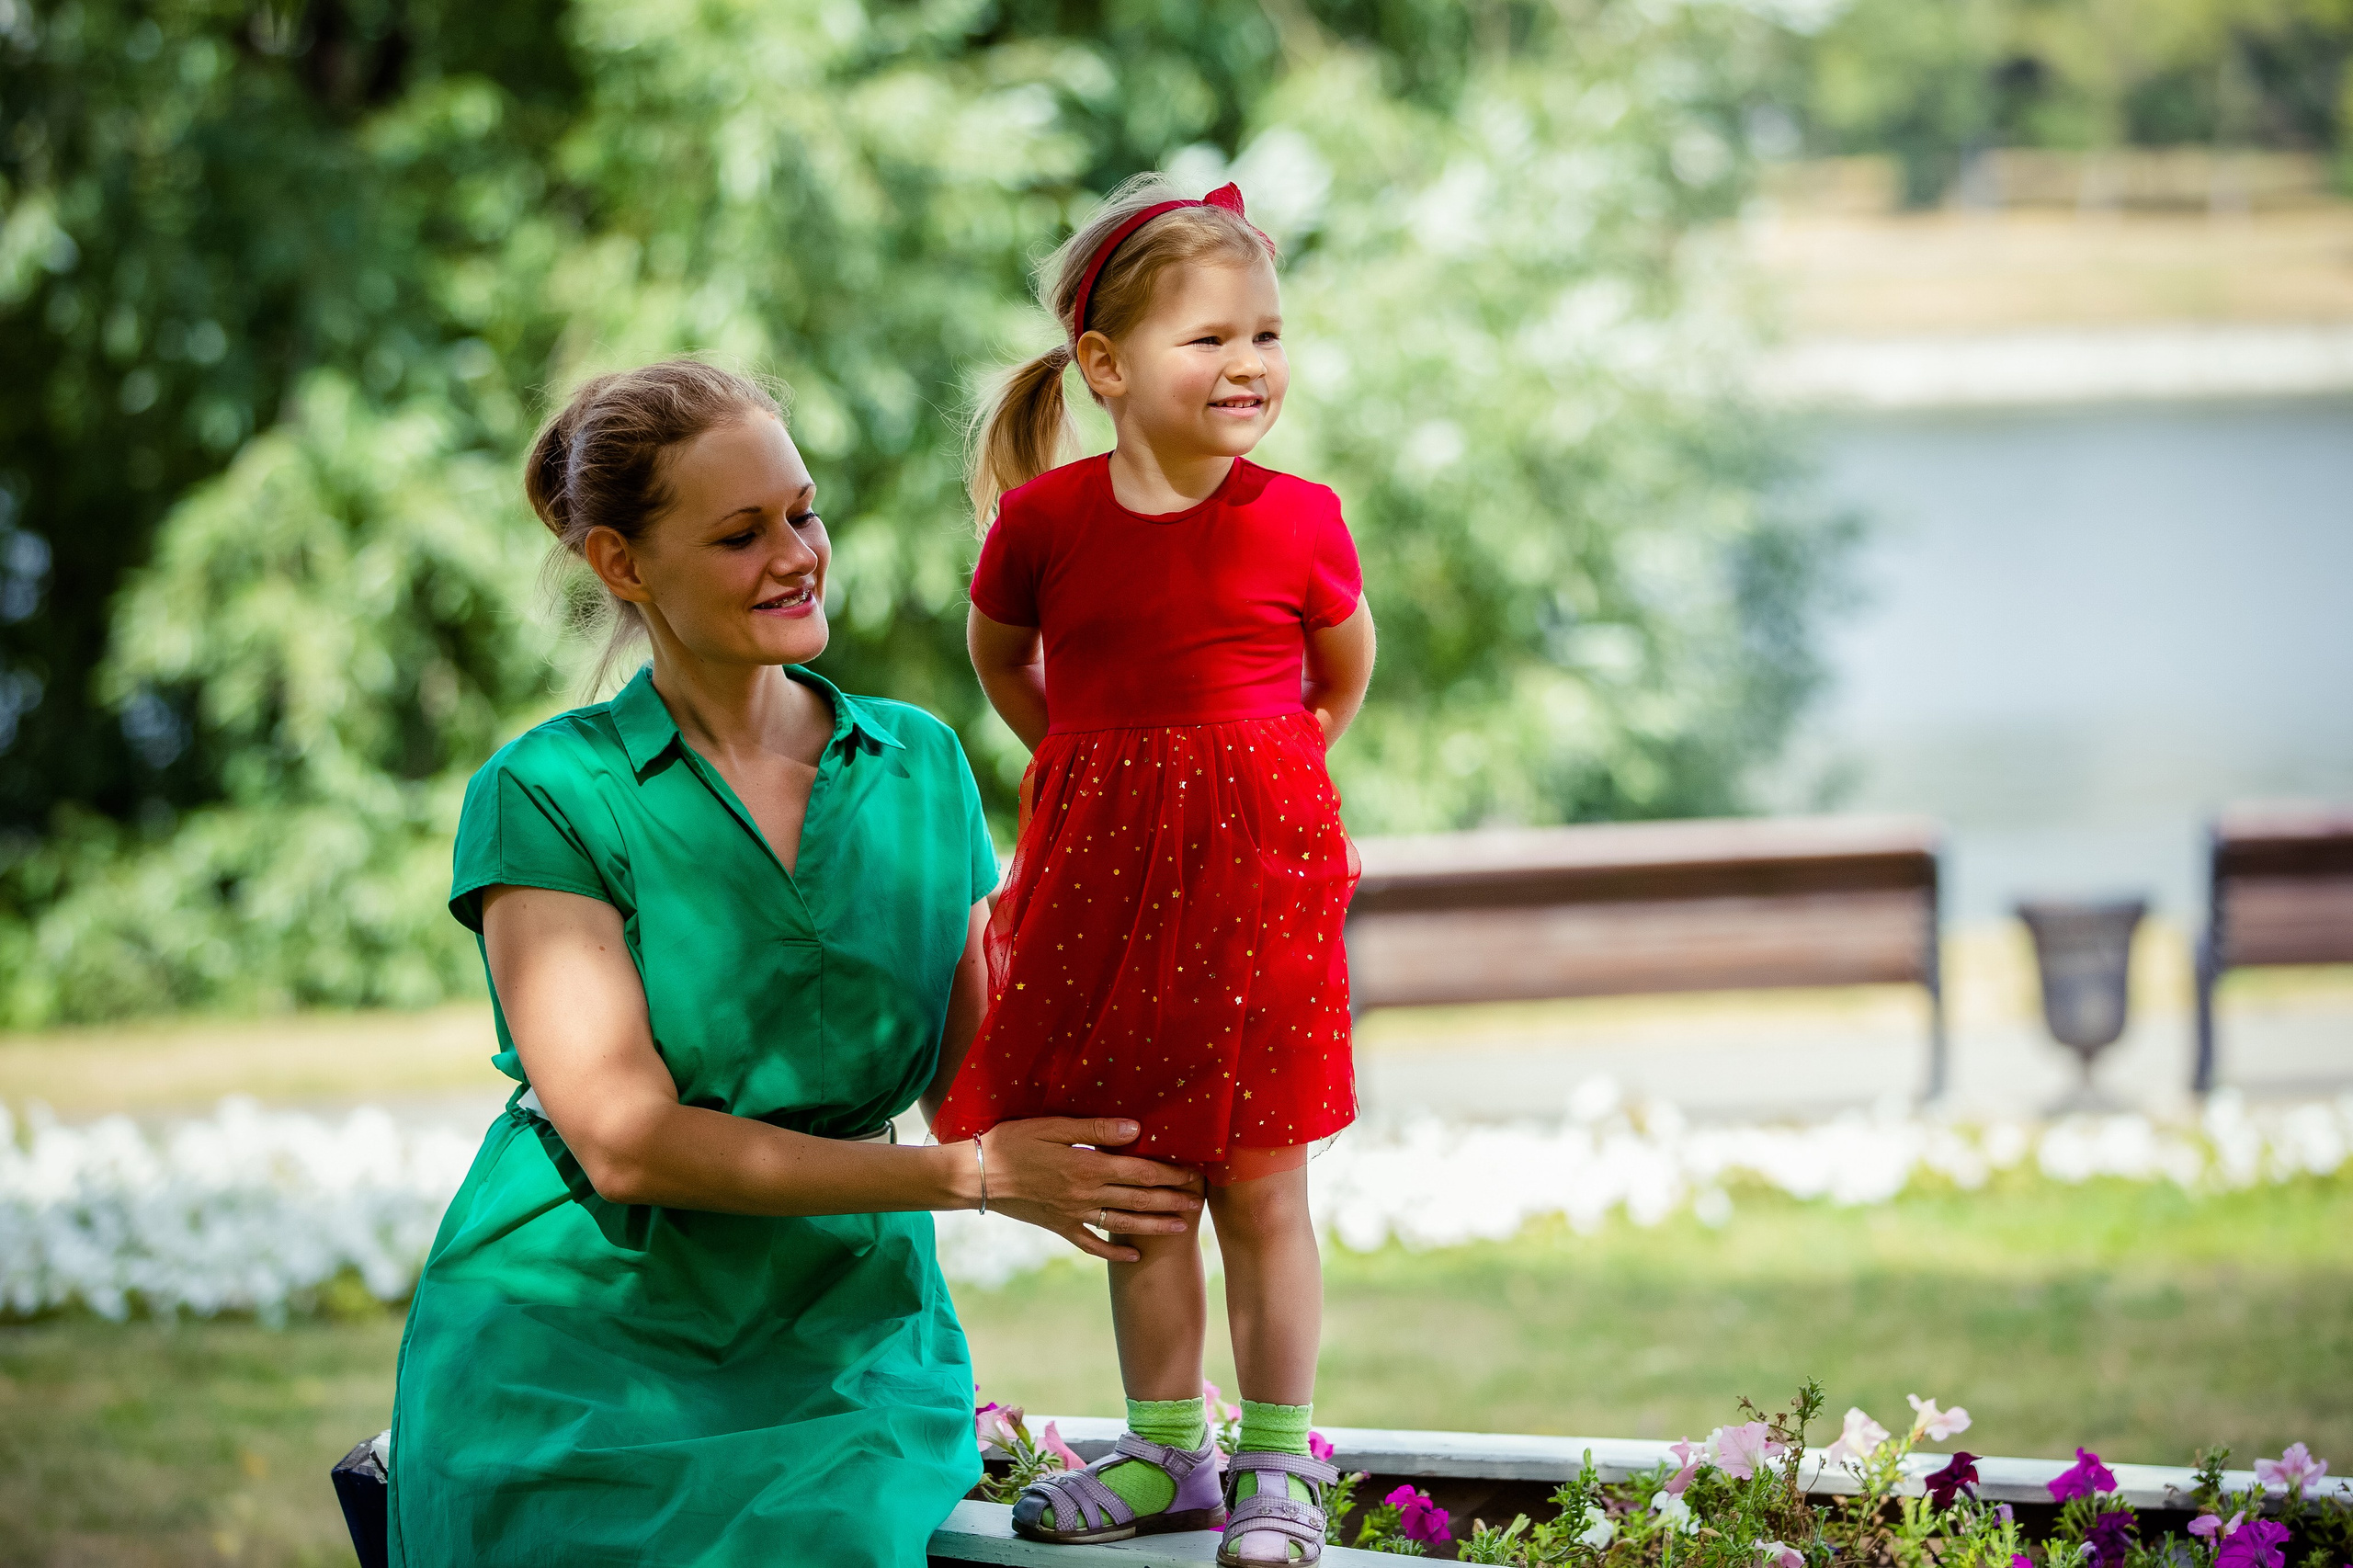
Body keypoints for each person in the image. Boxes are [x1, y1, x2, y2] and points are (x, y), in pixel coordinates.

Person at [385, 359, 1206, 1568]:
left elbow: (988, 1086)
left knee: (839, 1534)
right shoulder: (548, 794)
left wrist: (1178, 1079)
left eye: (803, 512)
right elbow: (624, 1137)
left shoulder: (917, 764)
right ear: (622, 563)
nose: (796, 553)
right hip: (580, 1355)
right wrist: (974, 1175)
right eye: (739, 533)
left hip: (847, 1347)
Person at [931, 178, 1378, 1566]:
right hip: (1104, 889)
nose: (1249, 364)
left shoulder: (1298, 516)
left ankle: (1277, 1462)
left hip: (1259, 887)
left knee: (1260, 1176)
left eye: (1266, 334)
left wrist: (1265, 777)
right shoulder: (1048, 521)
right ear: (1107, 368)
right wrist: (1083, 759)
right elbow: (1003, 656)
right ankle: (1166, 1454)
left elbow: (1342, 671)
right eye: (1210, 339)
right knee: (1139, 1184)